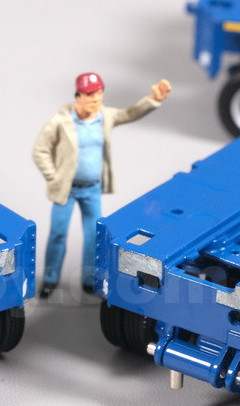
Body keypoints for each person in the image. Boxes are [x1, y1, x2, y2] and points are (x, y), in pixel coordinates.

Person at [32, 72, 171, 297]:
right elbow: (40, 150)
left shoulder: (104, 116)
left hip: (92, 189)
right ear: (78, 95)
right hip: (66, 190)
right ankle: (50, 278)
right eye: (89, 94)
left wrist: (153, 100)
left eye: (99, 93)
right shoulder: (61, 121)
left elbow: (129, 113)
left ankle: (90, 279)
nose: (95, 98)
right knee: (57, 233)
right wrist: (54, 176)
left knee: (93, 236)